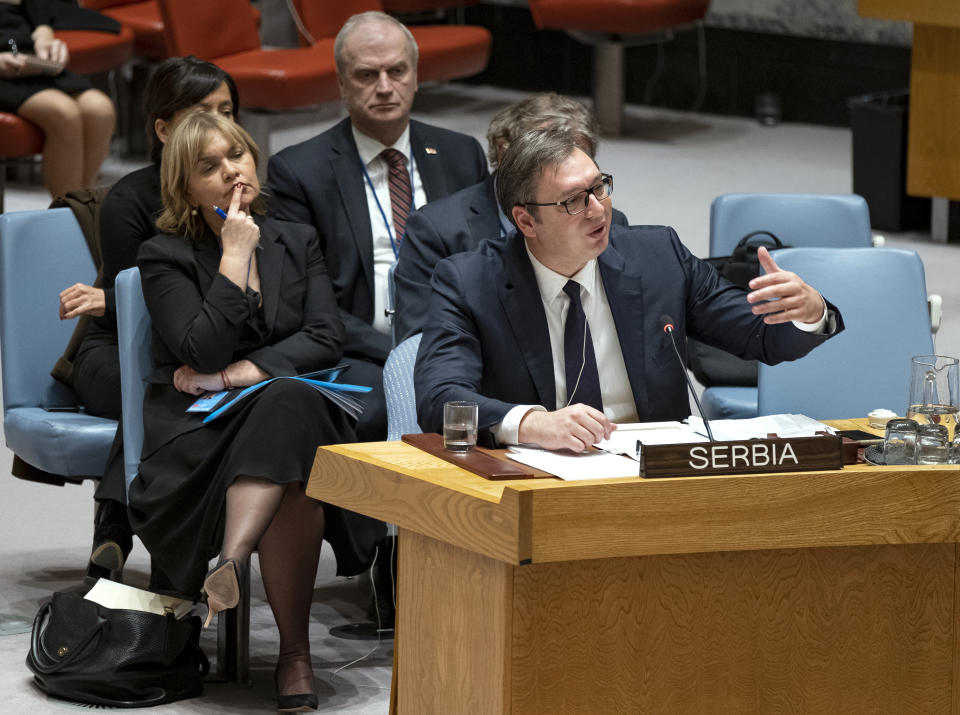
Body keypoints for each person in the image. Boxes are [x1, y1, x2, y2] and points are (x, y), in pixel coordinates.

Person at [129, 111, 379, 711]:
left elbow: (325, 337)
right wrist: (234, 257)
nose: (230, 172)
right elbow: (200, 345)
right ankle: (295, 657)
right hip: (199, 433)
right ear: (185, 189)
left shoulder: (296, 238)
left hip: (275, 415)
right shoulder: (163, 254)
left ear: (255, 162)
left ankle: (232, 562)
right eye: (209, 167)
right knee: (295, 469)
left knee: (289, 402)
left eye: (237, 156)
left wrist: (232, 375)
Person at [415, 128, 844, 450]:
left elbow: (760, 336)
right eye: (573, 200)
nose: (598, 209)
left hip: (655, 476)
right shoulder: (469, 282)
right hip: (537, 480)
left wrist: (808, 313)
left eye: (599, 187)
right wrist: (530, 424)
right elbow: (440, 398)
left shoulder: (657, 256)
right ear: (526, 221)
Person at [57, 57, 240, 583]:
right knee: (169, 391)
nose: (218, 125)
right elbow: (146, 307)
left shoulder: (241, 193)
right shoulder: (132, 200)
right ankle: (131, 535)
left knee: (194, 390)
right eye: (200, 112)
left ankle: (117, 524)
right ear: (163, 129)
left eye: (227, 112)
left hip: (196, 349)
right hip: (115, 351)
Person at [267, 10, 489, 442]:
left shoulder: (461, 154)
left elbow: (486, 263)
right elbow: (303, 297)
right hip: (359, 349)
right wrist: (402, 352)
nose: (385, 87)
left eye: (397, 71)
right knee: (382, 412)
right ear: (341, 84)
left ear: (416, 75)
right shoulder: (299, 172)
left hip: (457, 343)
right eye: (367, 75)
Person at [394, 92, 630, 342]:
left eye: (577, 160)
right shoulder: (437, 230)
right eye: (549, 163)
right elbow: (421, 343)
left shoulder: (610, 223)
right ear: (504, 150)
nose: (565, 174)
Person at [0, 0, 115, 197]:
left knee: (100, 109)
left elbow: (39, 16)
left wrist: (47, 42)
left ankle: (79, 208)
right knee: (63, 112)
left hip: (26, 58)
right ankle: (67, 216)